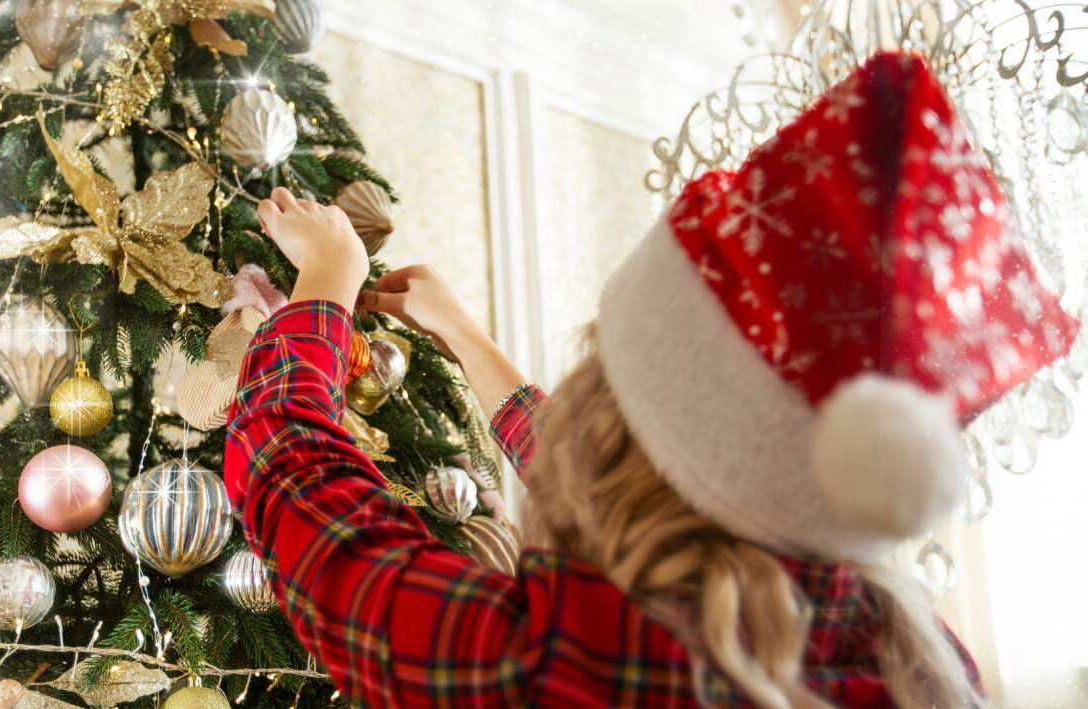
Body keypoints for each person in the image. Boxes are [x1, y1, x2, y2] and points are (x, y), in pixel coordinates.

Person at [223, 52, 1078, 707]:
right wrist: (463, 335)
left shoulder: (574, 665)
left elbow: (297, 477)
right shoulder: (919, 653)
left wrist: (328, 280)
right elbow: (638, 467)